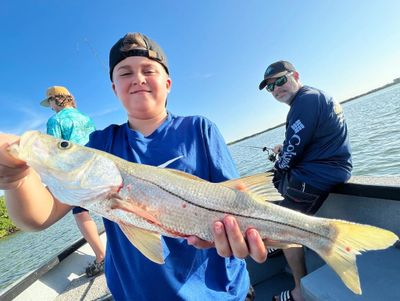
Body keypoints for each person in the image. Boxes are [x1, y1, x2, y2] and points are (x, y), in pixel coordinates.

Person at [0, 32, 268, 300]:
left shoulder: (200, 128)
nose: (138, 78)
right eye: (125, 73)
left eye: (148, 70)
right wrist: (17, 178)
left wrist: (241, 237)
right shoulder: (100, 145)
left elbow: (238, 201)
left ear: (168, 83)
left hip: (220, 292)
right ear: (114, 88)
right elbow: (39, 216)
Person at [258, 60, 352, 301]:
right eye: (271, 87)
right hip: (327, 168)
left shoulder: (305, 101)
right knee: (276, 194)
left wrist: (279, 166)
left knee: (283, 226)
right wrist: (283, 149)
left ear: (295, 75)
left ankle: (299, 290)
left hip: (319, 175)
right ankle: (277, 241)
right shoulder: (312, 98)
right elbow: (299, 141)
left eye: (280, 80)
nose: (277, 89)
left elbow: (293, 149)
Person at [40, 85, 106, 277]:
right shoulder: (85, 118)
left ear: (55, 100)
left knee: (80, 213)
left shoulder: (55, 120)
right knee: (107, 209)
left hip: (76, 175)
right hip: (97, 168)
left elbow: (54, 153)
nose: (50, 107)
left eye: (50, 103)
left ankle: (101, 257)